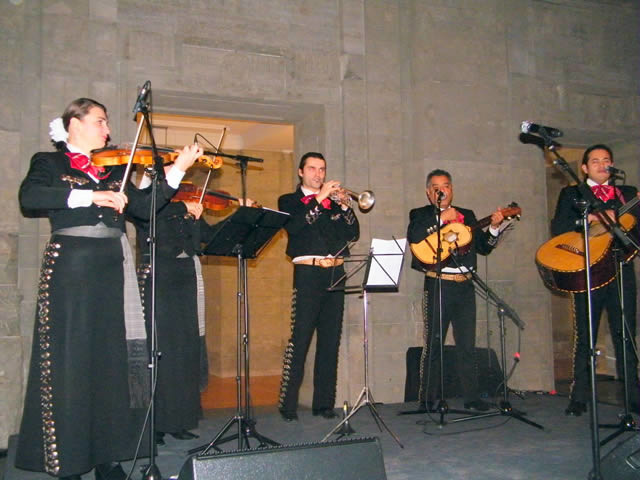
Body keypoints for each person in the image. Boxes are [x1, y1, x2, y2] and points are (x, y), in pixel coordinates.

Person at [16, 98, 202, 480]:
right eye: (100, 121)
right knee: (71, 362)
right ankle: (69, 460)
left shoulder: (115, 168)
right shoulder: (49, 162)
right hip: (71, 268)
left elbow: (145, 207)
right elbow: (30, 198)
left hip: (112, 270)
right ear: (74, 123)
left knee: (112, 363)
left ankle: (108, 456)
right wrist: (91, 196)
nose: (108, 130)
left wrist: (178, 170)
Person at [133, 177, 253, 445]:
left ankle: (179, 420)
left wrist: (239, 215)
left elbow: (210, 237)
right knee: (160, 349)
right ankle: (155, 424)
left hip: (186, 275)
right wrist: (182, 207)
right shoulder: (149, 199)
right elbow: (146, 220)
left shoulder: (188, 204)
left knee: (185, 350)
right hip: (159, 276)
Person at [550, 144, 640, 416]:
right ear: (585, 168)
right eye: (596, 161)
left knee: (626, 334)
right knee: (585, 335)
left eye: (606, 160)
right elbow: (559, 228)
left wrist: (623, 220)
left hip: (621, 268)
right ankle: (579, 396)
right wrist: (589, 219)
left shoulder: (627, 194)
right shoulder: (572, 194)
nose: (602, 165)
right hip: (588, 271)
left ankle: (633, 396)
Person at [407, 169, 504, 412]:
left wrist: (494, 229)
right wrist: (441, 219)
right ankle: (427, 399)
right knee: (434, 343)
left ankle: (471, 397)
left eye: (446, 186)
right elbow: (415, 238)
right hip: (438, 284)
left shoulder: (466, 215)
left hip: (465, 285)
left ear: (452, 189)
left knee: (467, 344)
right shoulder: (420, 214)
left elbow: (483, 247)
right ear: (429, 193)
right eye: (436, 187)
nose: (442, 191)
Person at [277, 152, 360, 421]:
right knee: (300, 339)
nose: (318, 174)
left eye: (322, 169)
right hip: (308, 273)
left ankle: (324, 403)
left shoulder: (333, 203)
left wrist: (345, 208)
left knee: (330, 341)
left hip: (335, 272)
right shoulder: (289, 200)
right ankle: (288, 406)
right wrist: (320, 198)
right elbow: (296, 227)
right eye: (312, 168)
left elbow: (353, 234)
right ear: (301, 172)